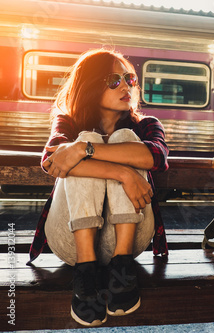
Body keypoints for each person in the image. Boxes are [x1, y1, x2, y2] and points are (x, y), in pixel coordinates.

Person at [27, 49, 169, 327]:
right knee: (86, 139)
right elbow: (52, 161)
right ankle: (86, 271)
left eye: (129, 79)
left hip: (130, 239)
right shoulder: (68, 122)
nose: (127, 86)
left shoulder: (147, 125)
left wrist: (83, 151)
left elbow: (156, 156)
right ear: (90, 85)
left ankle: (122, 267)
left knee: (122, 139)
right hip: (69, 241)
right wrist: (122, 173)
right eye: (114, 80)